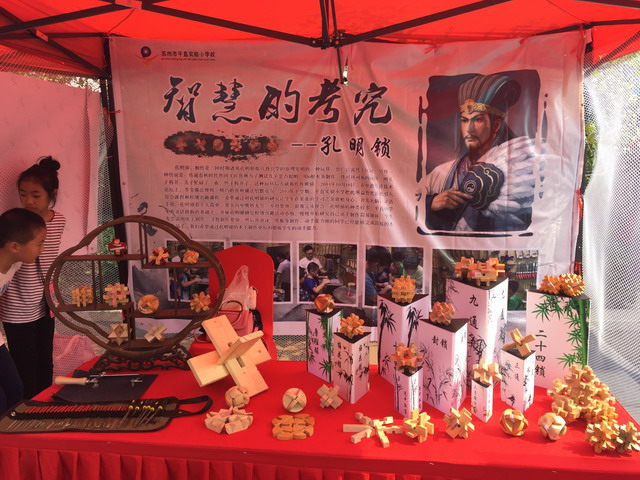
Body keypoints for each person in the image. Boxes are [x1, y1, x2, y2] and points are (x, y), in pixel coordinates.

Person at [422, 74, 541, 232]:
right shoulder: (440, 174)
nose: (469, 129)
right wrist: (431, 203)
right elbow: (409, 207)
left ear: (496, 125)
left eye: (478, 120)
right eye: (464, 120)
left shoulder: (520, 169)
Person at [0, 156, 66, 399]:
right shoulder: (15, 226)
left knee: (44, 360)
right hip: (17, 309)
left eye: (36, 195)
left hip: (44, 303)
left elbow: (49, 262)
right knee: (24, 367)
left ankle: (43, 402)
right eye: (23, 194)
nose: (28, 201)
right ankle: (28, 407)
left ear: (52, 195)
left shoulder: (58, 221)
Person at [0, 208, 47, 414]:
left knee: (15, 389)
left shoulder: (14, 263)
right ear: (14, 246)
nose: (42, 249)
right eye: (39, 244)